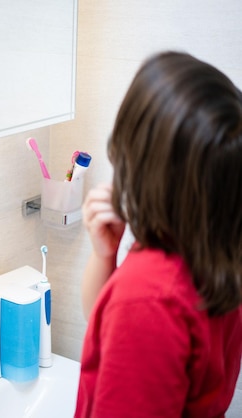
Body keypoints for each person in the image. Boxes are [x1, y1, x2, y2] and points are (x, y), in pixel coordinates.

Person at [76, 51, 242, 417]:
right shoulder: (217, 253)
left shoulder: (148, 295)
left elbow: (133, 313)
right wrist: (105, 255)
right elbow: (102, 324)